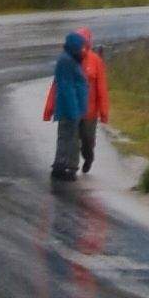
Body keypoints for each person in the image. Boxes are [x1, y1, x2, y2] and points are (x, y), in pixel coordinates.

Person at [45, 24, 110, 186]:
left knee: (87, 140)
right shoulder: (70, 61)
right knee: (71, 137)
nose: (83, 50)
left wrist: (104, 112)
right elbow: (58, 86)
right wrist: (49, 108)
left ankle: (88, 157)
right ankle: (70, 167)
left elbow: (101, 87)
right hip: (74, 109)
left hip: (89, 111)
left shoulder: (95, 61)